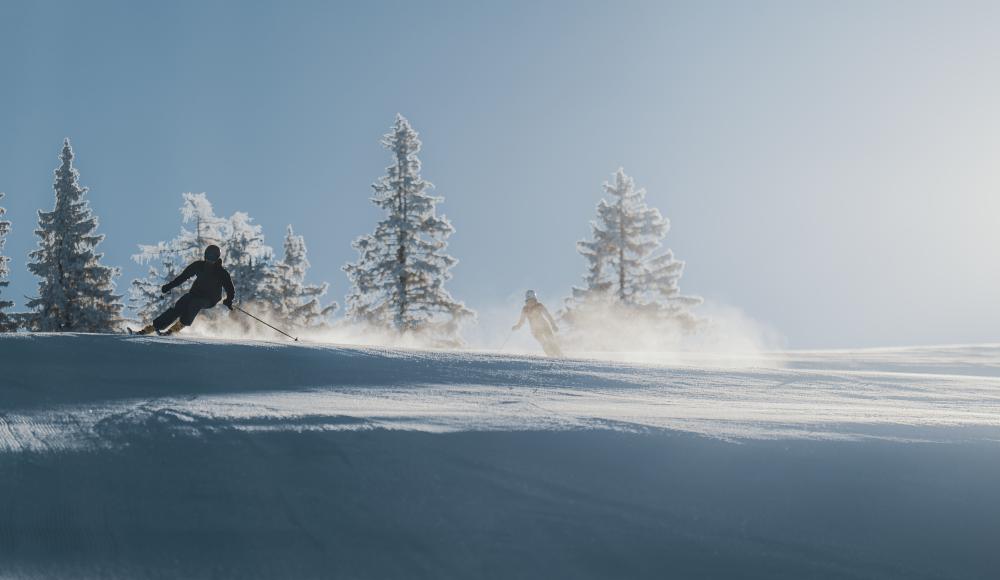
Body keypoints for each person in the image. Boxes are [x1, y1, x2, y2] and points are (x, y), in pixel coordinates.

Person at [131, 245, 235, 336]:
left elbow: (230, 288)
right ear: (205, 256)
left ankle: (175, 329)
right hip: (194, 294)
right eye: (208, 256)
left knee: (195, 303)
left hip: (210, 299)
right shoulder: (199, 265)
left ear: (217, 258)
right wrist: (169, 286)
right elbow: (183, 277)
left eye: (212, 257)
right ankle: (152, 328)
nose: (210, 260)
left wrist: (229, 300)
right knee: (181, 303)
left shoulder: (221, 273)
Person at [512, 290, 563, 357]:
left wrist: (553, 325)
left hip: (545, 326)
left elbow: (548, 315)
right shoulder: (525, 309)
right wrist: (517, 326)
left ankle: (560, 355)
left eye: (533, 300)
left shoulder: (539, 306)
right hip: (535, 330)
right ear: (527, 300)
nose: (531, 302)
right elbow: (522, 321)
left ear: (535, 299)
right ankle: (551, 356)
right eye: (530, 301)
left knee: (551, 341)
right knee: (544, 343)